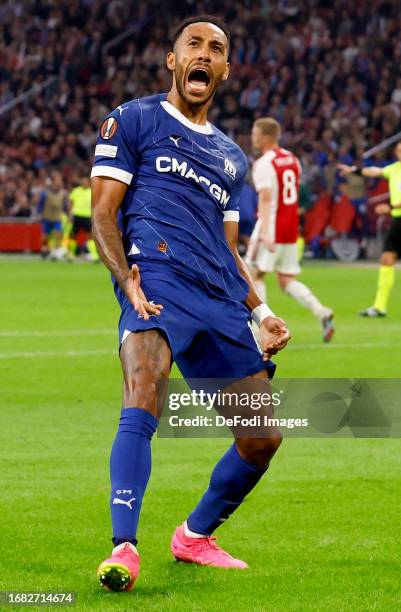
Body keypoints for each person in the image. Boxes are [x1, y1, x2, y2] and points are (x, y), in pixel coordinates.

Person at [91, 15, 291, 592]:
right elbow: (105, 212)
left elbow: (229, 250)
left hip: (218, 298)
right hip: (152, 280)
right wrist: (123, 278)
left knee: (262, 440)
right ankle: (124, 547)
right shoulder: (134, 120)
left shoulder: (231, 158)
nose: (205, 54)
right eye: (194, 45)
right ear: (173, 61)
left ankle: (195, 536)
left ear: (225, 70)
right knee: (145, 389)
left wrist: (260, 310)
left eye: (217, 49)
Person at [245, 118, 335, 342]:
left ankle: (260, 330)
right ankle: (321, 311)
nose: (252, 137)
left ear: (266, 136)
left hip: (271, 225)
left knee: (254, 275)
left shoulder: (264, 163)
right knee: (285, 279)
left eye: (255, 133)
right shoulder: (293, 159)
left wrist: (265, 232)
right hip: (290, 227)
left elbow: (265, 199)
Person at [338, 138, 401, 316]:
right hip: (399, 222)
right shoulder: (394, 169)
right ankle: (379, 306)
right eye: (400, 151)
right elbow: (375, 172)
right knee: (386, 259)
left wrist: (391, 207)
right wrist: (353, 170)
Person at [36, 171, 68, 258]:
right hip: (47, 217)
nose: (59, 182)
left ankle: (56, 251)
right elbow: (40, 204)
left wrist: (68, 214)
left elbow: (65, 205)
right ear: (53, 182)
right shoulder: (45, 193)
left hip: (57, 217)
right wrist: (39, 213)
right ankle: (44, 248)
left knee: (58, 234)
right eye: (58, 180)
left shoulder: (63, 193)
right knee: (44, 237)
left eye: (60, 180)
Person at [69, 175, 99, 261]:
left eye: (86, 181)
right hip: (77, 215)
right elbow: (71, 203)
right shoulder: (76, 191)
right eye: (83, 181)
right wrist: (70, 215)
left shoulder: (92, 191)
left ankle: (94, 254)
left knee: (89, 236)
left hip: (87, 216)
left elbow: (94, 205)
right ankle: (71, 253)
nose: (84, 183)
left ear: (89, 182)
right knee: (73, 235)